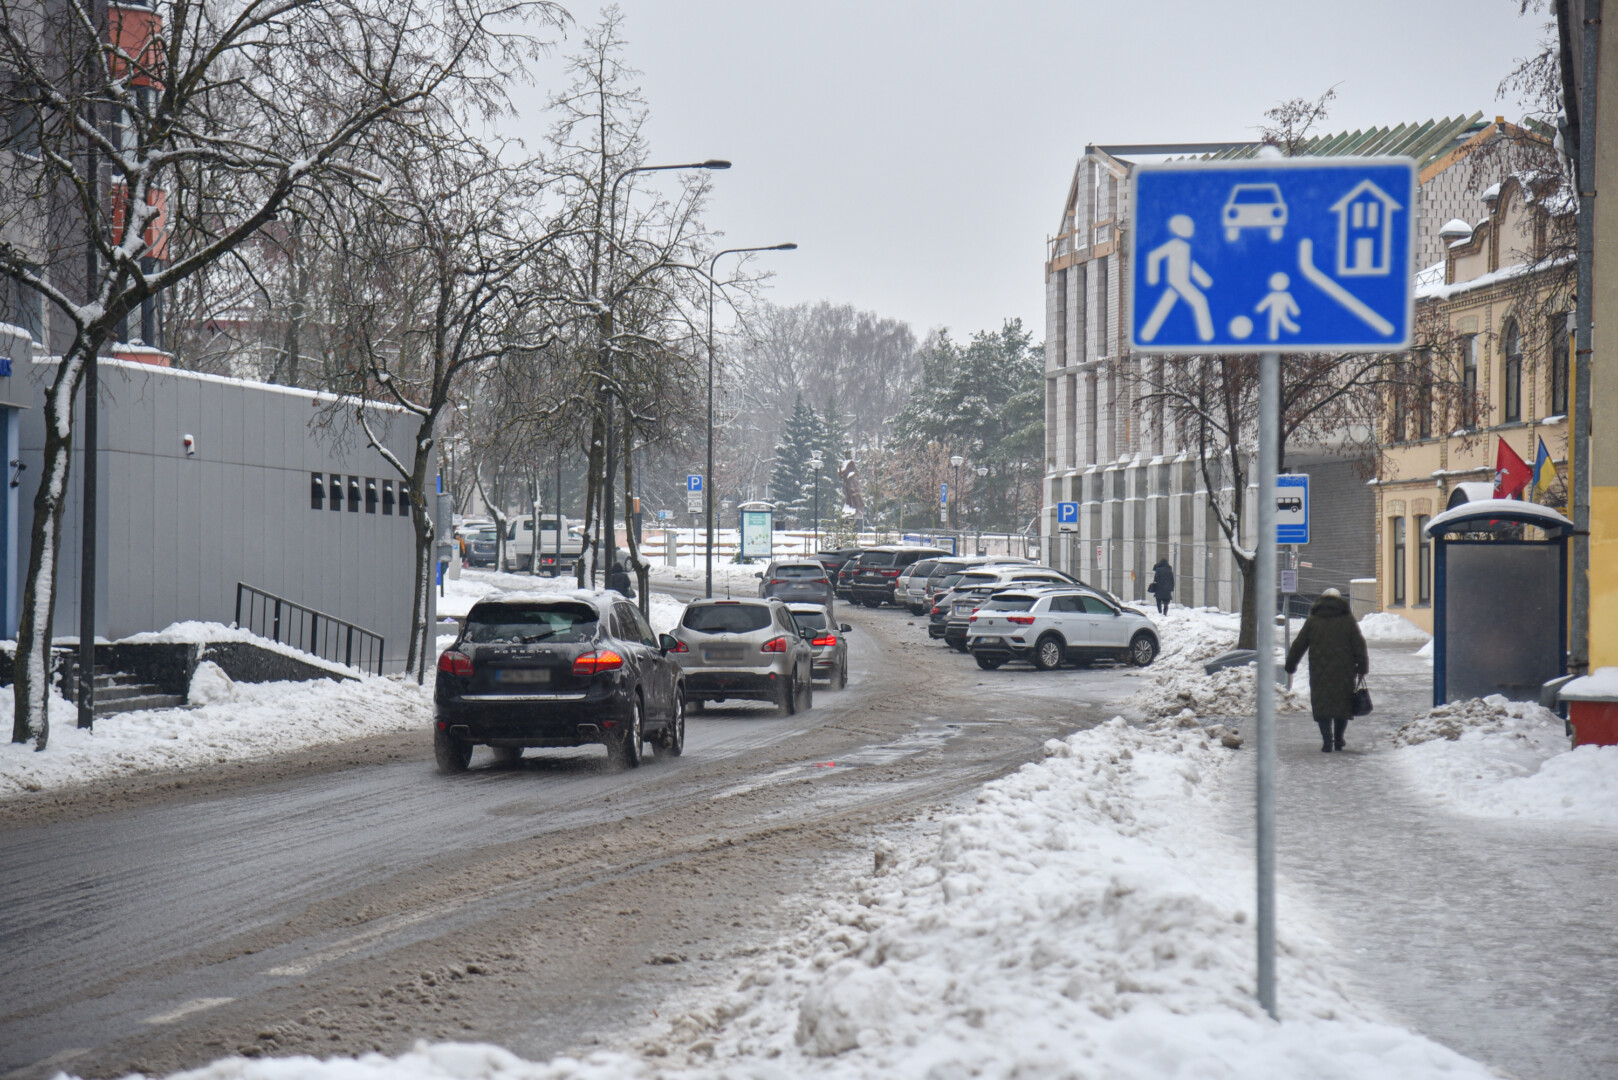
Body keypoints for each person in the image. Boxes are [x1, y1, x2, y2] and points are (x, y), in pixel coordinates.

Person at [1284, 588, 1369, 753]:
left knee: (1322, 704)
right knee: (1342, 705)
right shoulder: (1348, 620)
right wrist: (1362, 668)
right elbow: (1359, 645)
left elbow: (1299, 644)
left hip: (1319, 671)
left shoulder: (1313, 621)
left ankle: (1327, 741)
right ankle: (1338, 739)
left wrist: (1291, 665)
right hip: (1344, 672)